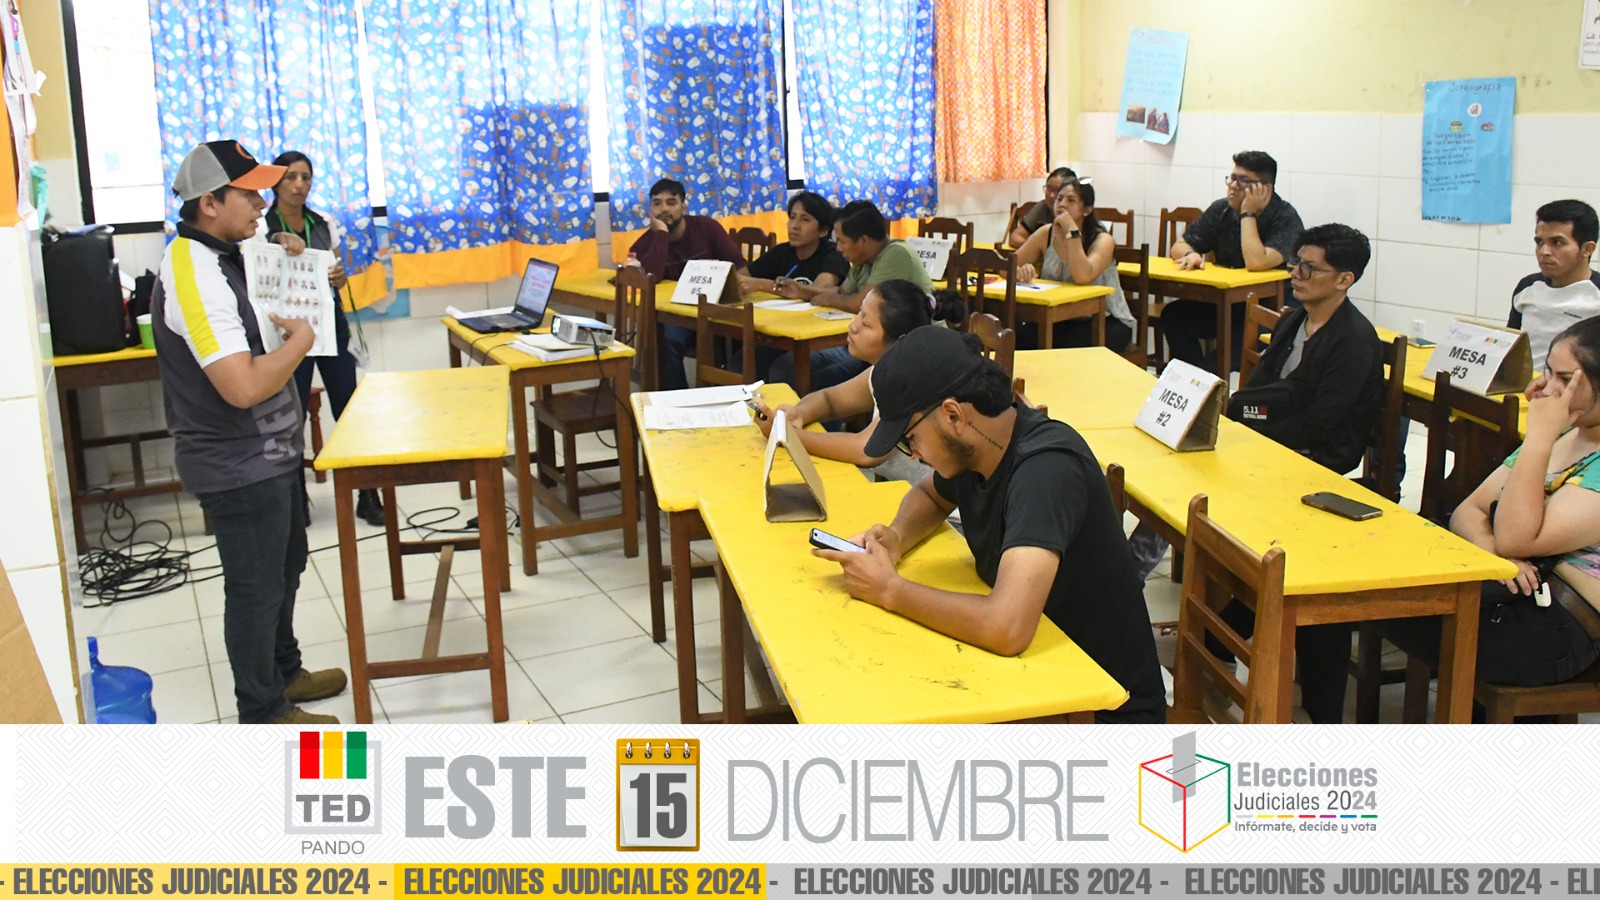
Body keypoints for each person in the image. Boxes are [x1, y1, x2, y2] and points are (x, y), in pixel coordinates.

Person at [810, 327, 1166, 723]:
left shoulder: (1046, 471)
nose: (912, 455)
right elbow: (931, 496)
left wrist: (889, 590)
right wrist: (896, 537)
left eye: (911, 438)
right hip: (1035, 678)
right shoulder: (980, 445)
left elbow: (1006, 628)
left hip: (1102, 710)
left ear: (953, 415)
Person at [1131, 224, 1383, 724]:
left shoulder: (1354, 341)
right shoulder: (1296, 321)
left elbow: (1321, 424)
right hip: (1274, 448)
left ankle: (1212, 637)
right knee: (1172, 472)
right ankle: (1180, 618)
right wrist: (1238, 424)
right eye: (1296, 263)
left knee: (1212, 499)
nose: (1296, 274)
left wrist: (1251, 437)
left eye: (1310, 268)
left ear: (1344, 280)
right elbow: (1261, 389)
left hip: (1316, 464)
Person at [150, 140, 348, 725]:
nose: (264, 203)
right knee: (255, 588)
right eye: (250, 194)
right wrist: (302, 342)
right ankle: (263, 709)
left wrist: (289, 257)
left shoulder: (233, 251)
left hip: (273, 451)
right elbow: (240, 386)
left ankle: (285, 672)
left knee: (286, 568)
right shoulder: (191, 270)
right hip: (235, 463)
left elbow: (266, 301)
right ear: (209, 203)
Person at [1372, 317, 1600, 709]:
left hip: (1562, 625)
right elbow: (1468, 511)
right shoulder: (1566, 432)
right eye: (1548, 373)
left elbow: (1517, 538)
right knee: (1373, 588)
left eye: (1566, 379)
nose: (1549, 390)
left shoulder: (1553, 435)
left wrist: (1539, 438)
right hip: (1519, 595)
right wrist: (1498, 555)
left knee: (1377, 604)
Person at [264, 150, 381, 527]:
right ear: (276, 183)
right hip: (287, 332)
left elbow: (333, 269)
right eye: (290, 177)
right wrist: (276, 238)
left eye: (306, 177)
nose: (299, 185)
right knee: (292, 415)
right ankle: (296, 499)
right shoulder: (261, 225)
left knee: (348, 406)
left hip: (329, 324)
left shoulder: (323, 222)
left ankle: (367, 494)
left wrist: (339, 277)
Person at [753, 280, 965, 467]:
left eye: (866, 323)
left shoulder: (911, 381)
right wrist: (799, 413)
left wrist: (789, 436)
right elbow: (830, 400)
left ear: (899, 342)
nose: (852, 326)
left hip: (919, 494)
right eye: (859, 314)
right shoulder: (882, 371)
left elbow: (865, 451)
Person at [1161, 150, 1304, 373]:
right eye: (1232, 178)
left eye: (1243, 181)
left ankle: (1203, 381)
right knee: (1173, 316)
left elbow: (1256, 262)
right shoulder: (1221, 209)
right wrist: (1190, 254)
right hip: (1229, 303)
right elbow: (1179, 245)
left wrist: (1248, 214)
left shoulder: (1285, 217)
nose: (1233, 186)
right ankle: (1193, 380)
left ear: (1265, 189)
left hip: (1270, 310)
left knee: (1219, 360)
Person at [770, 200, 934, 392]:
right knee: (785, 367)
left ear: (863, 241)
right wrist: (803, 291)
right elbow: (841, 292)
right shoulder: (861, 260)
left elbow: (858, 303)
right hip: (866, 341)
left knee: (820, 381)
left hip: (903, 349)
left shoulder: (896, 253)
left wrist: (823, 298)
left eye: (842, 241)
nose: (838, 248)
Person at [627, 178, 748, 390]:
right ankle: (678, 400)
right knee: (666, 338)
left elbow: (740, 266)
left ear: (683, 207)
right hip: (678, 317)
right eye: (657, 203)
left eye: (671, 202)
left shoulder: (706, 227)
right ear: (650, 210)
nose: (664, 209)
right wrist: (661, 235)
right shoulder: (645, 244)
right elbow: (651, 278)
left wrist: (738, 287)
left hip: (716, 312)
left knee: (745, 335)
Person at [1012, 177, 1137, 352]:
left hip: (1105, 320)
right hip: (1060, 317)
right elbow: (1007, 266)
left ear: (1087, 210)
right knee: (1019, 340)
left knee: (1065, 346)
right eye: (1059, 199)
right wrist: (1020, 272)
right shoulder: (1046, 233)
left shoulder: (1103, 240)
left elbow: (1082, 276)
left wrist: (1072, 232)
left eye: (1070, 200)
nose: (1062, 204)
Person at [1508, 199, 1600, 374]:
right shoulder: (1527, 287)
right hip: (1526, 387)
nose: (1544, 252)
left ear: (1587, 249)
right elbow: (1508, 348)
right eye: (1539, 242)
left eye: (1557, 242)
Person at [738, 191, 848, 296]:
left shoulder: (835, 254)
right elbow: (738, 277)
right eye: (792, 217)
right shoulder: (781, 252)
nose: (794, 226)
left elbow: (817, 292)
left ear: (823, 231)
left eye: (805, 219)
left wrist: (760, 284)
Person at [1006, 166, 1076, 249]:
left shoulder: (1076, 211)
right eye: (1049, 189)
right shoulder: (1043, 206)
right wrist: (1036, 247)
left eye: (1057, 190)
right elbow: (1015, 237)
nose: (1051, 195)